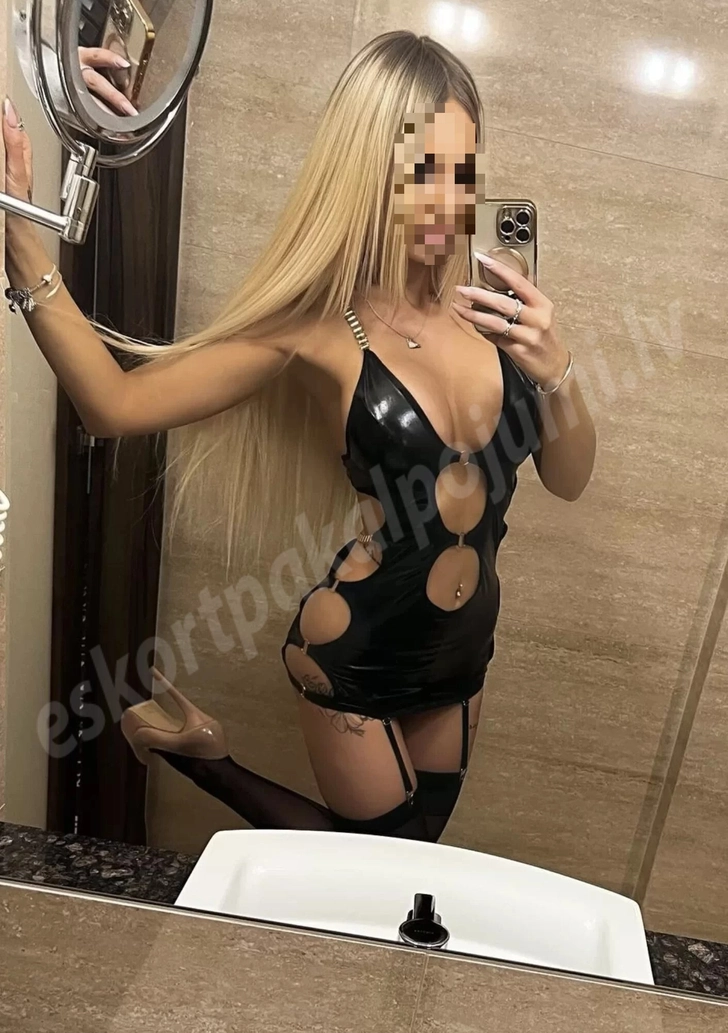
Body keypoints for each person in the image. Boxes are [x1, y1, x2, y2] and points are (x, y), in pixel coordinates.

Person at [2, 30, 596, 842]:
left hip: (463, 650)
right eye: (420, 171)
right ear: (369, 173)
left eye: (462, 172)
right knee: (379, 867)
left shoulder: (498, 320)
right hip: (356, 646)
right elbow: (114, 403)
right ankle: (208, 762)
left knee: (414, 856)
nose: (446, 200)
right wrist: (21, 241)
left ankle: (197, 745)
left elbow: (568, 477)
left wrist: (558, 366)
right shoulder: (320, 328)